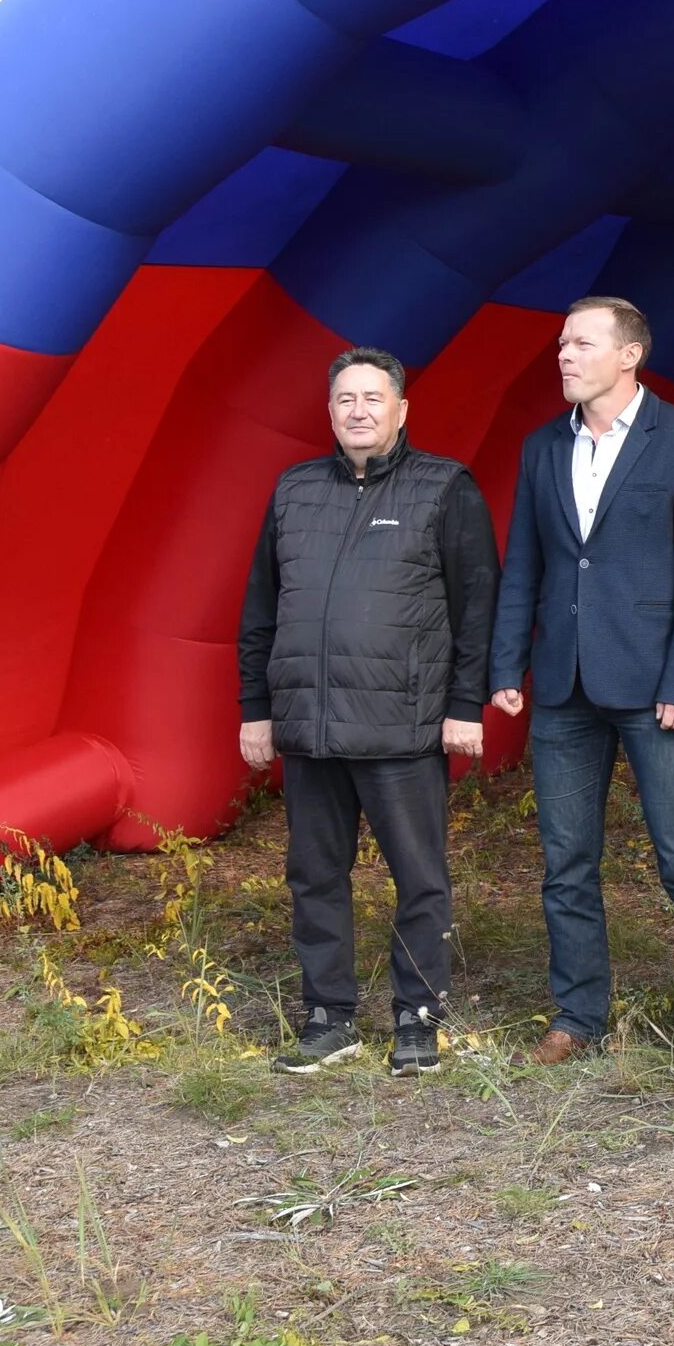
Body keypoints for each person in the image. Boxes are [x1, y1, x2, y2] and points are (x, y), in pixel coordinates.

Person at [490, 297, 674, 1073]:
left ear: (630, 354)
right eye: (562, 341)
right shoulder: (540, 448)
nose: (563, 353)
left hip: (654, 686)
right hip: (564, 684)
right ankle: (577, 1015)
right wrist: (504, 666)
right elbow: (524, 563)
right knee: (566, 861)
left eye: (581, 342)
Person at [239, 347, 498, 1077]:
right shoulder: (293, 490)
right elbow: (261, 606)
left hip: (402, 726)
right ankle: (329, 1017)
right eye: (345, 398)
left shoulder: (444, 487)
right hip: (310, 727)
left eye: (373, 397)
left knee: (418, 876)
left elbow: (478, 605)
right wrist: (256, 708)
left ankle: (417, 1018)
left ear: (401, 410)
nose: (358, 409)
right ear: (330, 411)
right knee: (315, 874)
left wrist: (465, 704)